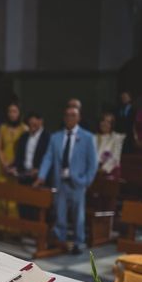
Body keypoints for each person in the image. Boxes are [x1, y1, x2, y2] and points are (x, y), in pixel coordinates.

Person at [35, 106, 98, 255]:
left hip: (77, 182)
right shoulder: (55, 137)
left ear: (78, 118)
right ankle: (60, 241)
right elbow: (48, 157)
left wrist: (86, 181)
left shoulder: (88, 137)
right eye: (67, 115)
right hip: (60, 181)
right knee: (60, 213)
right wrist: (42, 176)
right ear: (64, 118)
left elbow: (93, 163)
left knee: (78, 215)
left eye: (73, 115)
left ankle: (78, 242)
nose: (70, 118)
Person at [11, 111, 50, 219]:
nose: (32, 127)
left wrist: (39, 170)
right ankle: (25, 230)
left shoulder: (48, 138)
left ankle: (36, 232)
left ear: (41, 122)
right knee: (23, 205)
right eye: (30, 125)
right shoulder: (24, 137)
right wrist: (14, 168)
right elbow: (19, 156)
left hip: (39, 177)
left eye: (35, 125)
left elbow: (49, 159)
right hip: (24, 175)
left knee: (36, 207)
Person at [0, 103, 28, 217]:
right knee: (1, 195)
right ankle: (0, 226)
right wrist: (4, 163)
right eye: (10, 111)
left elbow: (23, 150)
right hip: (2, 166)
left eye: (14, 111)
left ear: (19, 113)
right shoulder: (2, 127)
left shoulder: (24, 129)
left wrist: (12, 163)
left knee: (13, 197)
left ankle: (13, 229)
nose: (12, 114)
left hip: (16, 166)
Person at [94, 112, 125, 178]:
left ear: (112, 125)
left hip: (109, 172)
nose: (105, 124)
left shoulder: (117, 138)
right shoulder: (93, 137)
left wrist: (102, 169)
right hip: (93, 171)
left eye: (108, 122)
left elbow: (115, 158)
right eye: (103, 121)